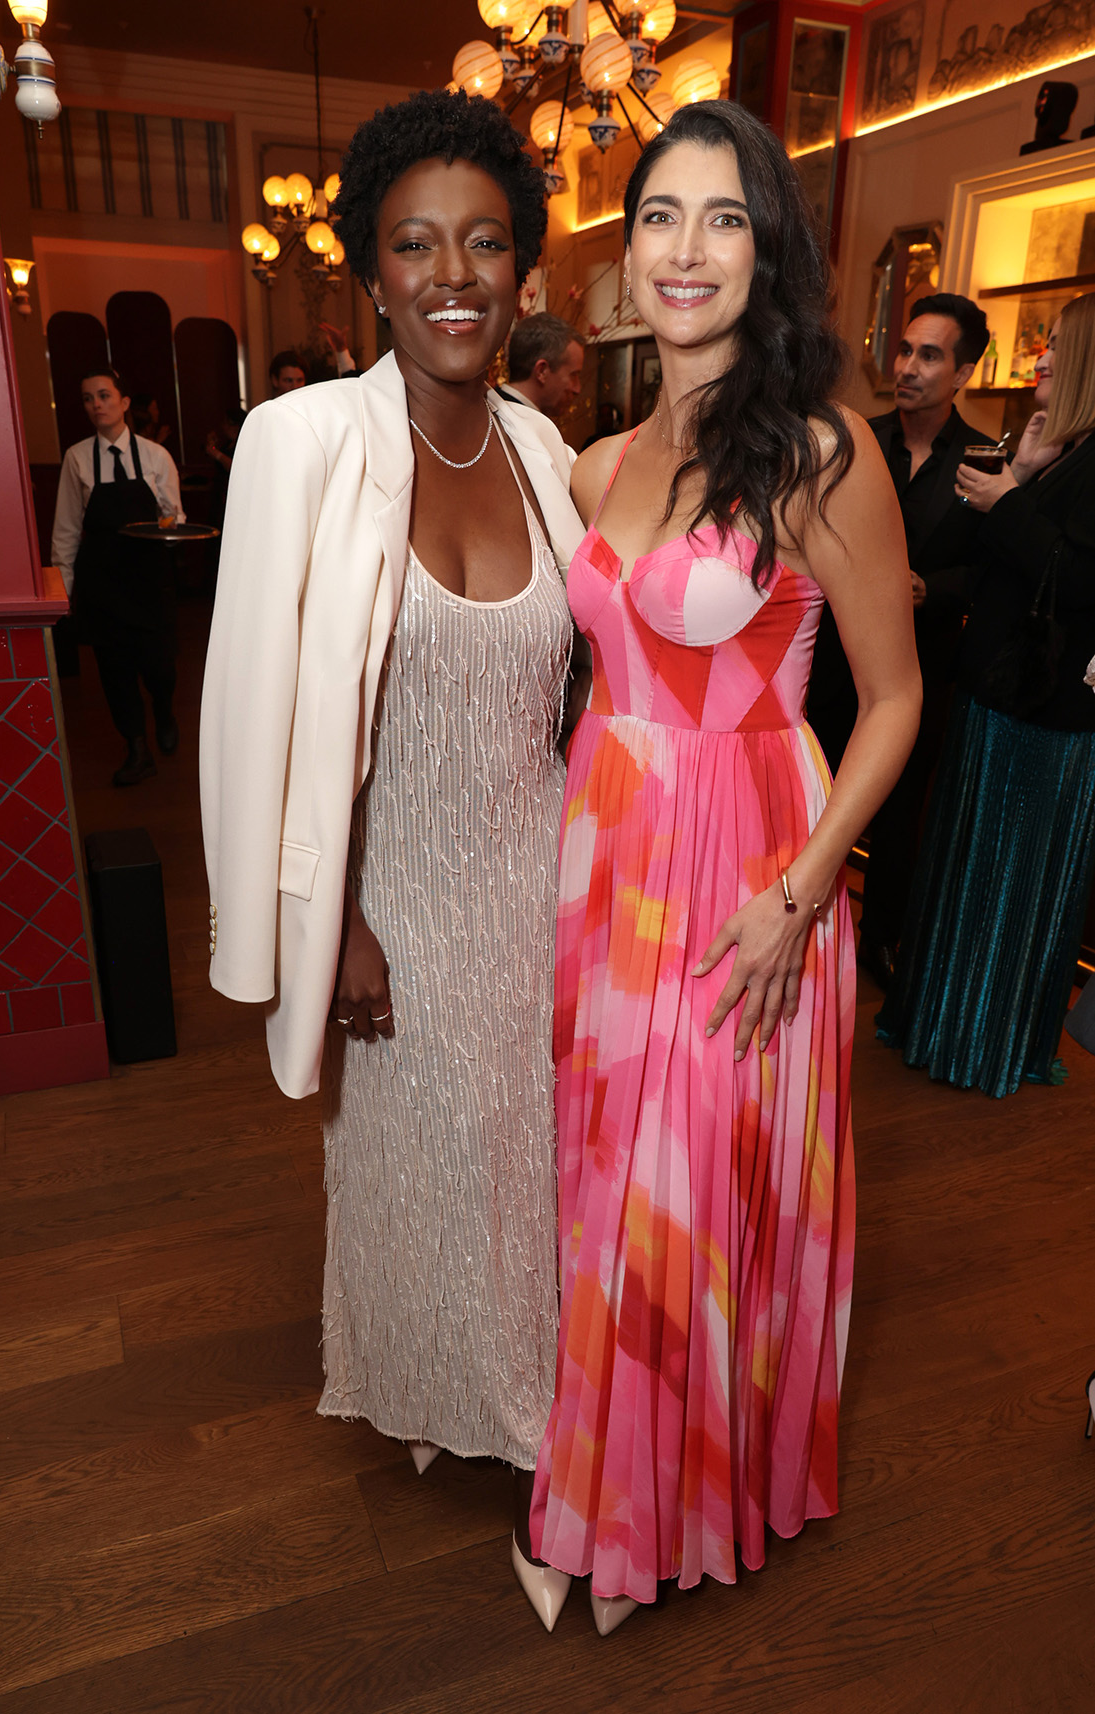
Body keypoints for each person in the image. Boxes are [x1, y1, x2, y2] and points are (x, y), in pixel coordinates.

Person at [527, 99, 921, 1633]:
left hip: (752, 864)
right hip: (607, 847)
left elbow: (892, 699)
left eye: (725, 218)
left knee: (687, 1191)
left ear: (768, 252)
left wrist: (802, 889)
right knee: (608, 1178)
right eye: (660, 219)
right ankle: (617, 1484)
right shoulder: (600, 457)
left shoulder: (821, 451)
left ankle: (655, 1508)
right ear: (623, 260)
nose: (686, 250)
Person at [199, 89, 585, 1632]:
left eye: (486, 242)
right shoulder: (300, 442)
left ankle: (542, 1416)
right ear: (369, 270)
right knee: (413, 1176)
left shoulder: (553, 449)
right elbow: (262, 700)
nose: (454, 273)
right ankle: (442, 1388)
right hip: (395, 895)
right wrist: (329, 913)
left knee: (540, 1174)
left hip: (546, 878)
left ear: (523, 271)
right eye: (417, 242)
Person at [877, 292, 1095, 1097]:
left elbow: (1078, 578)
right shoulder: (1063, 449)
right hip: (998, 699)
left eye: (1054, 349)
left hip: (1042, 718)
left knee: (1003, 891)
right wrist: (1027, 478)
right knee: (967, 875)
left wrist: (1009, 501)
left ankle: (980, 1042)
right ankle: (943, 1026)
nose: (1037, 358)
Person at [807, 293, 990, 987]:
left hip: (920, 667)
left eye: (930, 355)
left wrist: (932, 588)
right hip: (828, 663)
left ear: (964, 371)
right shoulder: (849, 442)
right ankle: (806, 932)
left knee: (901, 811)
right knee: (816, 795)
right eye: (905, 349)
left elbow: (990, 569)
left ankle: (879, 941)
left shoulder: (981, 460)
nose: (908, 366)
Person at [52, 368, 185, 786]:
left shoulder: (155, 457)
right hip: (103, 583)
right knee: (115, 672)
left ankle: (163, 709)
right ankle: (136, 747)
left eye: (105, 396)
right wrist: (64, 591)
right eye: (89, 398)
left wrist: (170, 528)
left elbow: (175, 516)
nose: (97, 405)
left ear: (125, 403)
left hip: (149, 579)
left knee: (160, 668)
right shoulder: (76, 458)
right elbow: (68, 528)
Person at [500, 311, 584, 418]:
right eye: (573, 375)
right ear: (542, 371)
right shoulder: (514, 423)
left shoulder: (493, 409)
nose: (577, 389)